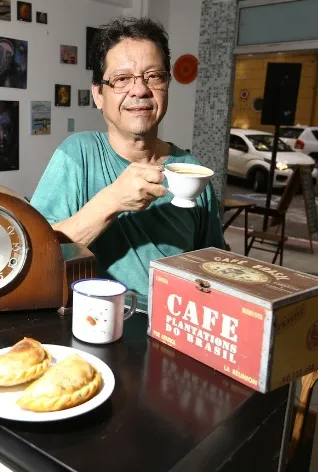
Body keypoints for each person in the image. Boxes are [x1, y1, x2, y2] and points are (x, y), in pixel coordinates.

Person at [30, 16, 224, 311]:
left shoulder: (191, 170)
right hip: (93, 323)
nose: (140, 90)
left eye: (154, 76)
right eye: (122, 79)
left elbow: (212, 267)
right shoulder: (77, 155)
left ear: (167, 86)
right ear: (98, 94)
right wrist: (114, 200)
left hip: (172, 326)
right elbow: (38, 255)